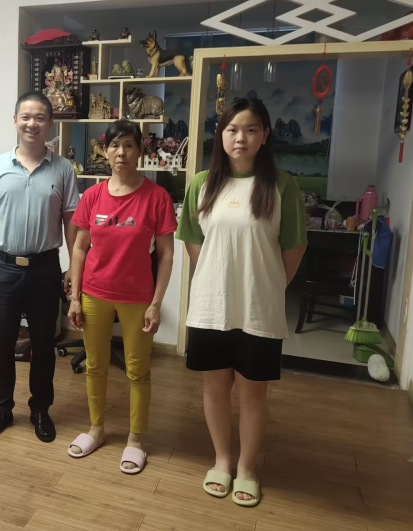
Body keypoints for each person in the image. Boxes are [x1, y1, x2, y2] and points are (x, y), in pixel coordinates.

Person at [176, 98, 307, 507]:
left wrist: (267, 286)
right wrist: (216, 279)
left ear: (264, 136)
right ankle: (222, 460)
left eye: (251, 130)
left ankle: (247, 468)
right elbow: (193, 242)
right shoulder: (202, 183)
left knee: (253, 392)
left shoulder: (282, 185)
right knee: (215, 388)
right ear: (221, 134)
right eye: (232, 129)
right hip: (210, 306)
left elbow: (293, 247)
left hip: (259, 308)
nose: (240, 138)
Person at [0, 91, 79, 443]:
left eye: (40, 117)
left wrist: (74, 269)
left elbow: (71, 223)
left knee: (44, 344)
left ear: (50, 123)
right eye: (26, 117)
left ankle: (40, 409)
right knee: (2, 343)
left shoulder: (63, 169)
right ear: (15, 121)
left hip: (45, 268)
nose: (32, 124)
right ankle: (1, 408)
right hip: (3, 267)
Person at [66, 120, 176, 474]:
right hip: (94, 293)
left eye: (129, 145)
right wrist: (75, 297)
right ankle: (96, 429)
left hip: (137, 297)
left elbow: (166, 254)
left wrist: (156, 303)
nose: (121, 153)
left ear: (139, 150)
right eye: (114, 145)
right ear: (105, 150)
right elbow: (79, 247)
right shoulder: (92, 196)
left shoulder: (156, 197)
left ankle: (136, 439)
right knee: (95, 365)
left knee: (137, 370)